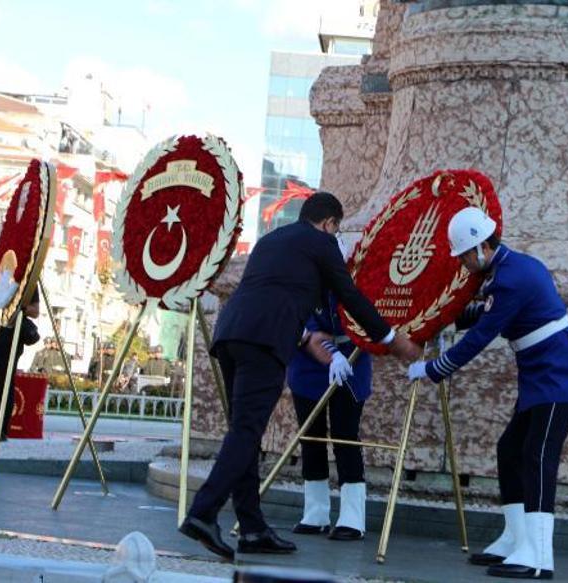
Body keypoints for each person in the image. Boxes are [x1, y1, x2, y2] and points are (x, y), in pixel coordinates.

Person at [180, 191, 421, 561]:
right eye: (335, 229)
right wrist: (392, 339)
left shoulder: (272, 240)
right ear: (329, 224)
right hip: (264, 342)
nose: (335, 235)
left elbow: (272, 294)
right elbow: (350, 296)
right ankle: (203, 512)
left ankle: (253, 527)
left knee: (243, 431)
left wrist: (306, 337)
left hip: (230, 334)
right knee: (246, 432)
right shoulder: (321, 243)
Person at [408, 208, 568, 580]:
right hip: (545, 376)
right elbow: (489, 313)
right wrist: (446, 321)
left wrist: (433, 369)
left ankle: (539, 555)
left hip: (561, 376)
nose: (463, 263)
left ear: (482, 246)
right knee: (510, 449)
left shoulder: (511, 277)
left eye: (464, 255)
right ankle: (517, 537)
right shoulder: (513, 269)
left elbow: (483, 334)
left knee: (537, 456)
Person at [287, 287, 372, 542]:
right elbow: (302, 320)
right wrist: (329, 351)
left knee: (345, 435)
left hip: (351, 357)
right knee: (310, 437)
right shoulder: (304, 275)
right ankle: (315, 513)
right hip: (307, 359)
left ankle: (352, 517)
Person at [0, 278, 40, 441]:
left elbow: (35, 311)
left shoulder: (26, 278)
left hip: (9, 340)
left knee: (3, 384)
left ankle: (0, 430)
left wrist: (20, 308)